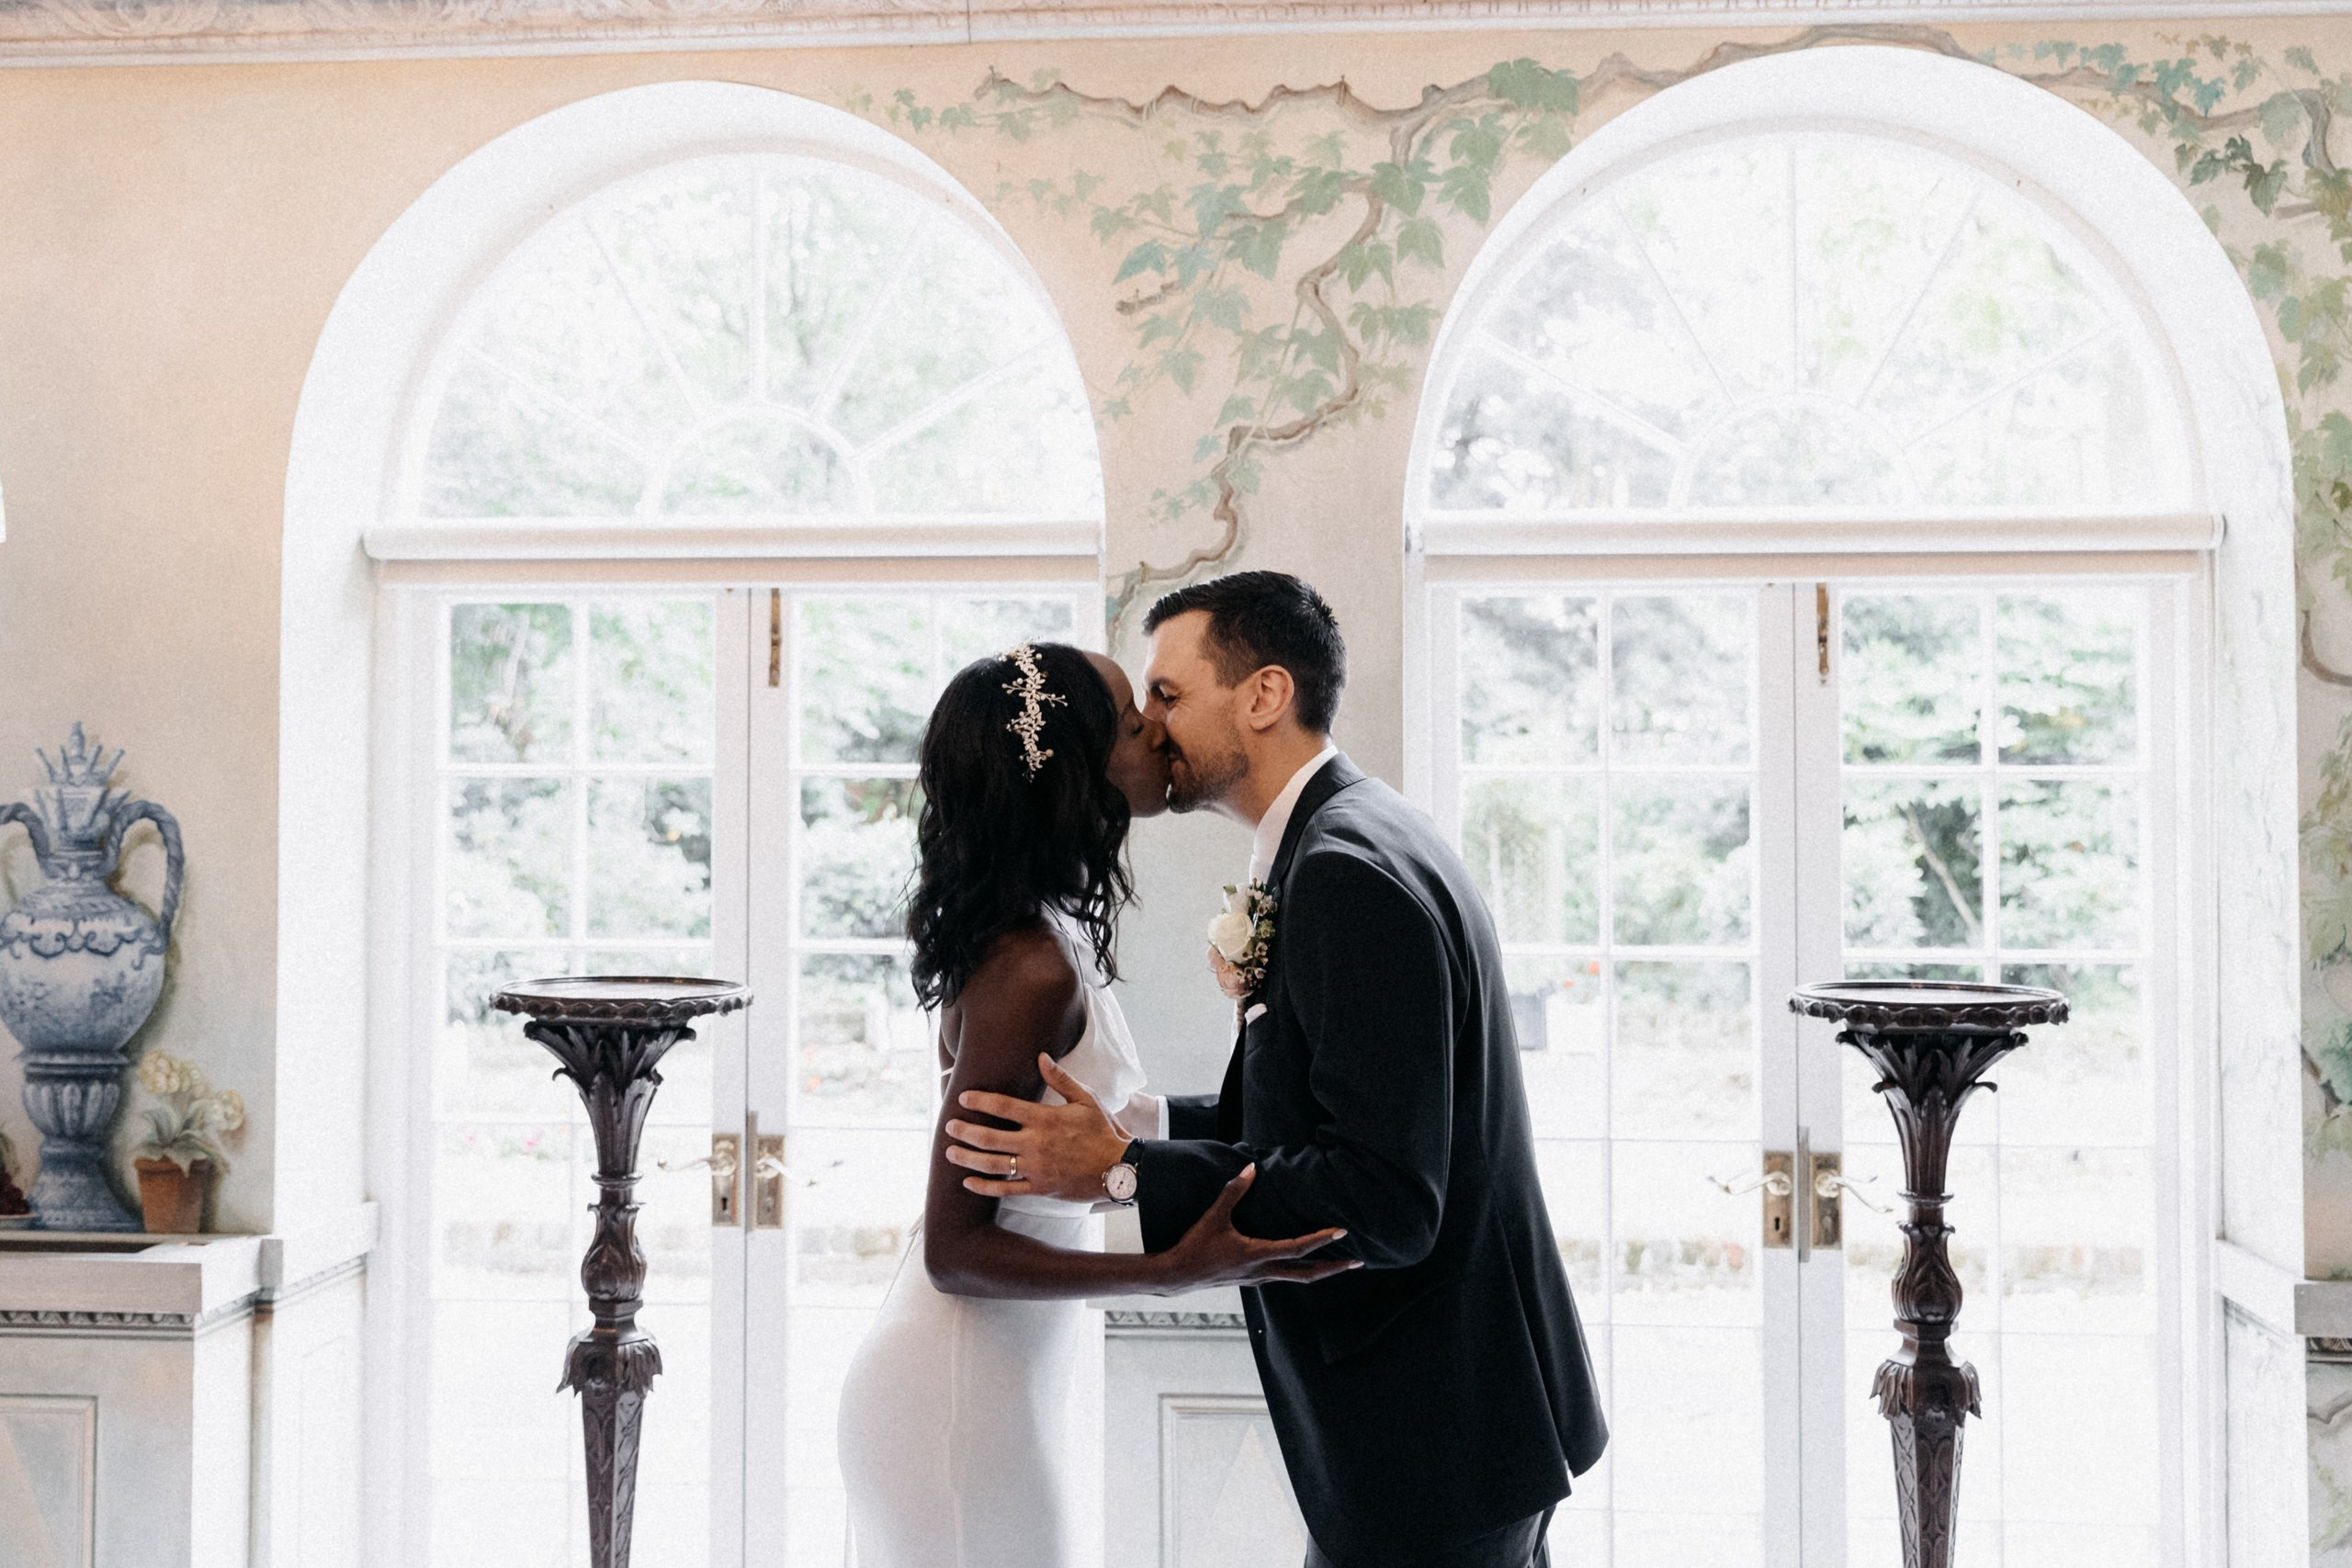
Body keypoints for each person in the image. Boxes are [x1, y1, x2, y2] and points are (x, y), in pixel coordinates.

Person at [944, 572, 1609, 1568]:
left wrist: (1122, 1169)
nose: (1153, 728)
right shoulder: (1357, 828)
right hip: (1455, 1411)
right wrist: (1142, 1127)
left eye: (1168, 695)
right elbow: (1316, 1111)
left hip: (1430, 1422)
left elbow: (1383, 1193)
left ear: (1261, 695)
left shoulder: (1344, 870)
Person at [836, 639, 1356, 1568]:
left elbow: (1115, 1126)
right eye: (1127, 722)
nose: (1154, 733)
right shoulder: (1026, 966)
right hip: (950, 1383)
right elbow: (957, 1249)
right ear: (1076, 770)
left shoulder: (1051, 926)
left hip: (1002, 1375)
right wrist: (1169, 1273)